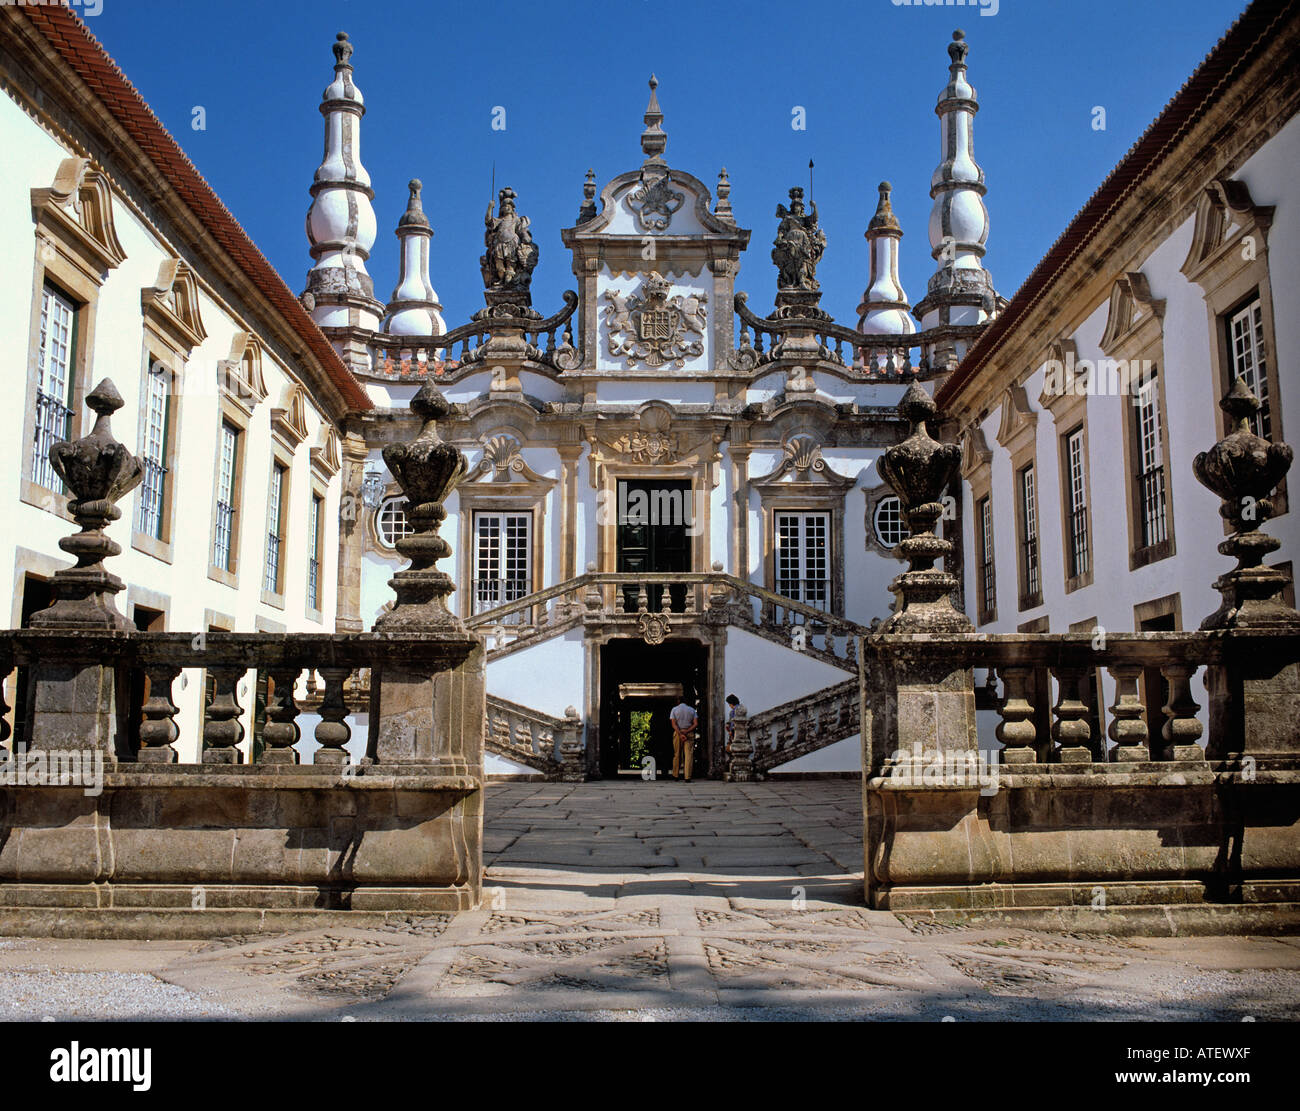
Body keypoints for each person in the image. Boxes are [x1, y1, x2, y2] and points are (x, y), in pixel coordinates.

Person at [669, 695, 698, 781]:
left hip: (678, 733)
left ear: (678, 701)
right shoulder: (692, 710)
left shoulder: (674, 709)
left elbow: (673, 724)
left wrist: (680, 733)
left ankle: (675, 775)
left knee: (677, 754)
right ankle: (687, 776)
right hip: (689, 733)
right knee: (689, 755)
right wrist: (687, 731)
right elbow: (695, 723)